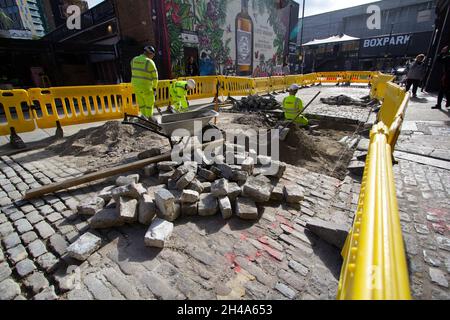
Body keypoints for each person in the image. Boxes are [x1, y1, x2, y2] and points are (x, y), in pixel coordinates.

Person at [131, 46, 158, 119]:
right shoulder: (149, 62)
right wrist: (154, 88)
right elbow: (155, 77)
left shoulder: (134, 59)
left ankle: (143, 118)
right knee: (149, 103)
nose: (153, 57)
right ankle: (149, 119)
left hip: (136, 86)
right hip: (146, 87)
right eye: (153, 55)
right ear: (150, 53)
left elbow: (133, 70)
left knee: (141, 103)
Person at [432, 45, 450, 110]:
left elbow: (438, 60)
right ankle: (442, 103)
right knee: (444, 90)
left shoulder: (448, 58)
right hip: (446, 76)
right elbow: (439, 60)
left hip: (447, 76)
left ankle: (440, 104)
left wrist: (442, 52)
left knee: (443, 90)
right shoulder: (447, 58)